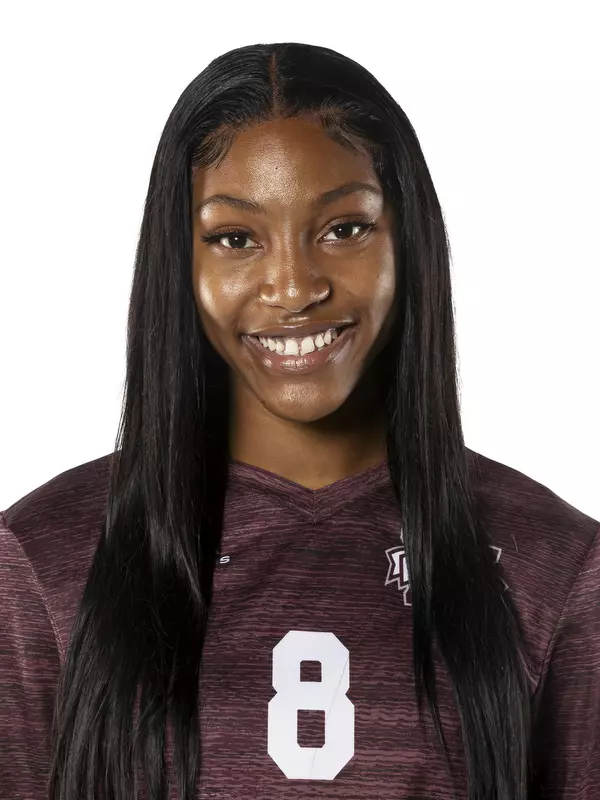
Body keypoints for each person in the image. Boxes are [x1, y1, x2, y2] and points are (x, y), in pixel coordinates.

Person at [1, 41, 598, 800]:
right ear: (179, 260)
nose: (293, 287)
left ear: (407, 239)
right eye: (235, 238)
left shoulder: (558, 566)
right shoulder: (41, 559)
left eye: (344, 228)